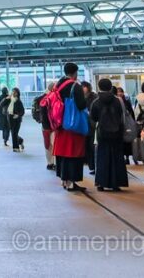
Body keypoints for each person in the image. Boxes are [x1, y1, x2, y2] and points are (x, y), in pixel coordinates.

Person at [51, 63, 87, 192]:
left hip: (60, 124)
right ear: (75, 72)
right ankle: (71, 182)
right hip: (72, 124)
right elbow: (81, 105)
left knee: (63, 152)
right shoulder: (75, 86)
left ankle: (64, 180)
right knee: (72, 152)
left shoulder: (58, 85)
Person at [90, 78, 128, 192]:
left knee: (102, 157)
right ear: (111, 87)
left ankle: (101, 183)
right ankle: (116, 183)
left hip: (102, 133)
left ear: (99, 87)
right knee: (117, 157)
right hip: (117, 132)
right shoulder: (118, 100)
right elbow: (123, 116)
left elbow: (93, 118)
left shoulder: (96, 101)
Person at [38, 82, 57, 170]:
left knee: (48, 145)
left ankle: (50, 163)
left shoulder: (41, 98)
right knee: (54, 144)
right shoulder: (55, 97)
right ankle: (55, 163)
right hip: (53, 126)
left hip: (45, 126)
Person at [81, 81, 97, 174]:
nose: (83, 88)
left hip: (92, 125)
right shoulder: (80, 97)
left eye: (84, 87)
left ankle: (95, 166)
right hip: (84, 125)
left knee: (92, 146)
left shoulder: (94, 97)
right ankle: (92, 166)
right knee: (87, 147)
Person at [7, 88, 25, 152]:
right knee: (13, 133)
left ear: (18, 93)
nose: (14, 93)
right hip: (10, 118)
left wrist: (18, 115)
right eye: (13, 92)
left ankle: (16, 148)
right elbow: (1, 104)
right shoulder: (9, 100)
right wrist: (6, 98)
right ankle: (20, 141)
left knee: (14, 133)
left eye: (15, 92)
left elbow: (22, 111)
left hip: (17, 119)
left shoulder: (18, 101)